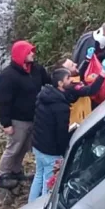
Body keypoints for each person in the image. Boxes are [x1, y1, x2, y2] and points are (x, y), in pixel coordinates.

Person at [0, 40, 51, 189]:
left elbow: (48, 83)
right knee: (14, 147)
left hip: (34, 116)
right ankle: (3, 175)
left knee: (25, 146)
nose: (32, 54)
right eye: (29, 52)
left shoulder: (37, 70)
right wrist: (6, 123)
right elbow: (4, 100)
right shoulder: (8, 75)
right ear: (21, 55)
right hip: (17, 119)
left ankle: (16, 171)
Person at [29, 67, 75, 202]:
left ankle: (30, 204)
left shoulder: (43, 96)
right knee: (48, 183)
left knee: (39, 175)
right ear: (60, 83)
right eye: (68, 78)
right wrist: (63, 153)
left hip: (38, 145)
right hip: (50, 151)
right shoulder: (61, 107)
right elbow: (61, 133)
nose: (71, 80)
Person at [60, 58, 105, 125]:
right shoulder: (71, 87)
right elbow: (91, 90)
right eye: (72, 65)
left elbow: (80, 72)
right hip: (83, 122)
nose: (76, 64)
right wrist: (103, 73)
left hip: (87, 113)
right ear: (68, 73)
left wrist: (87, 59)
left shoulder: (71, 79)